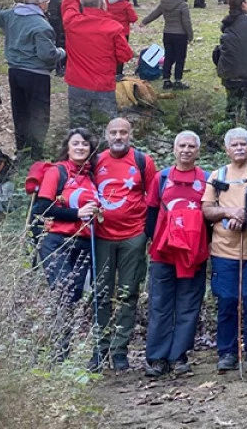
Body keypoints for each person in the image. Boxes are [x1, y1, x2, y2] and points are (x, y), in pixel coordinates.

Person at [90, 118, 157, 373]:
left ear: (130, 135)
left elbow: (152, 199)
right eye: (113, 132)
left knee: (128, 294)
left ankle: (120, 351)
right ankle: (100, 348)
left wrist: (147, 234)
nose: (118, 136)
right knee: (101, 294)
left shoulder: (142, 162)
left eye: (123, 132)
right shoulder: (96, 161)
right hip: (103, 236)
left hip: (133, 236)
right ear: (106, 135)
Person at [204, 128, 247, 373]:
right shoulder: (218, 175)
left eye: (244, 144)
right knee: (227, 301)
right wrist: (229, 212)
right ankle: (227, 352)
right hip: (224, 251)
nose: (239, 148)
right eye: (234, 144)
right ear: (227, 149)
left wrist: (246, 216)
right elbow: (207, 210)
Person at [144, 131, 209, 377]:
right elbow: (150, 214)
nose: (186, 150)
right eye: (182, 145)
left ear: (198, 151)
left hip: (193, 254)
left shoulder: (205, 179)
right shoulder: (161, 178)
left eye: (191, 146)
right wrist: (155, 241)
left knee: (188, 305)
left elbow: (210, 217)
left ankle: (179, 356)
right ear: (174, 149)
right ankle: (157, 357)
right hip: (163, 253)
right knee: (160, 304)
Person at [32, 128, 101, 361]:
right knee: (62, 291)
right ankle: (55, 352)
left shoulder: (91, 177)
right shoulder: (57, 171)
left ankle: (62, 350)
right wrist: (77, 213)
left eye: (85, 144)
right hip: (57, 241)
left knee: (73, 297)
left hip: (83, 242)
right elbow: (41, 208)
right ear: (68, 147)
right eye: (76, 144)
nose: (80, 147)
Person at [0, 0, 65, 161]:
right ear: (41, 4)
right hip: (36, 75)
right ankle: (36, 153)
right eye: (47, 2)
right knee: (39, 114)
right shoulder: (42, 26)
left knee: (19, 112)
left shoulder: (11, 15)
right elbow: (47, 55)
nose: (48, 5)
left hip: (15, 72)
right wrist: (62, 52)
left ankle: (22, 150)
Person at [62, 0, 133, 129]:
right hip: (103, 85)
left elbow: (69, 3)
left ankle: (78, 153)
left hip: (77, 85)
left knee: (79, 129)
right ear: (103, 4)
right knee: (108, 129)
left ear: (83, 5)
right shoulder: (113, 28)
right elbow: (125, 56)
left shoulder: (72, 22)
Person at [140, 0, 193, 90]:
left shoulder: (164, 3)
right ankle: (178, 81)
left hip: (167, 33)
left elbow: (154, 14)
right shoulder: (183, 5)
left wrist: (144, 22)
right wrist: (190, 36)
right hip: (180, 35)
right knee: (180, 58)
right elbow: (186, 22)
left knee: (168, 57)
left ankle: (166, 80)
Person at [106, 0, 137, 79]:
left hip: (108, 30)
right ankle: (118, 72)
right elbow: (133, 18)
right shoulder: (126, 5)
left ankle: (108, 71)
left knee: (108, 51)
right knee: (120, 52)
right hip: (122, 32)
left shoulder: (105, 1)